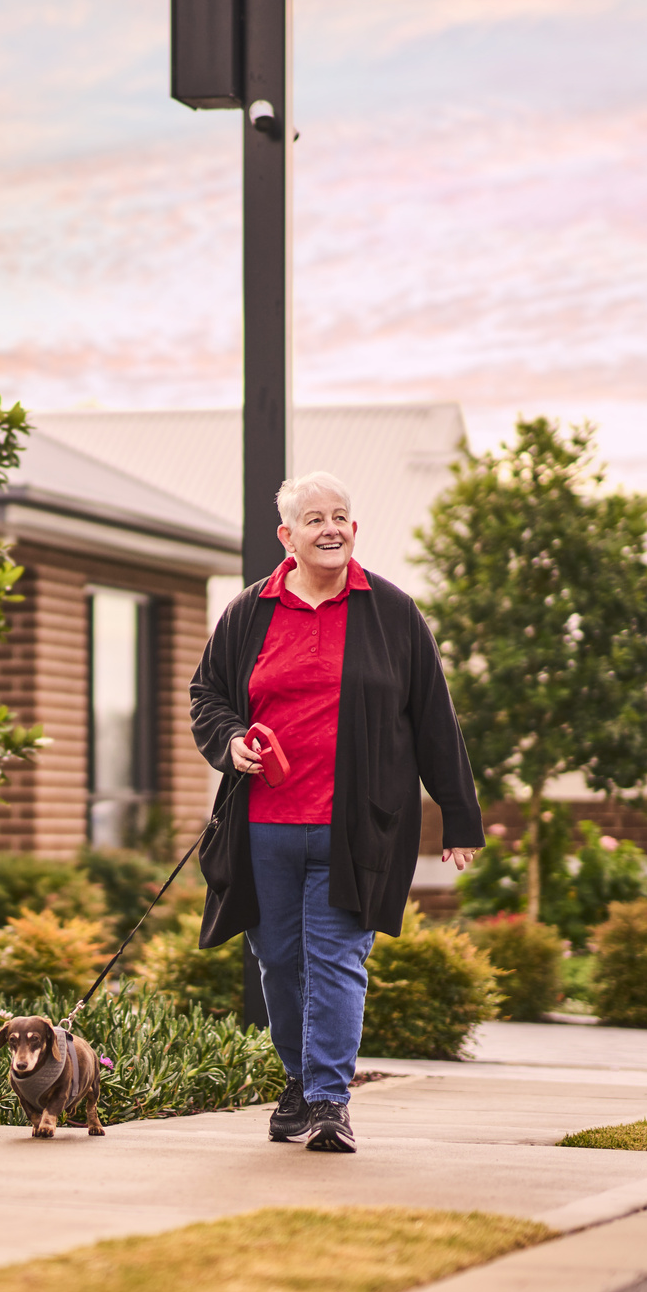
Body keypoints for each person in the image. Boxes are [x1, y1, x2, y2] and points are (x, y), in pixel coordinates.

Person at [189, 472, 484, 1153]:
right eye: (314, 518)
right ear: (286, 536)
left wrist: (460, 816)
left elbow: (435, 719)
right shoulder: (249, 613)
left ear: (355, 530)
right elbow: (207, 696)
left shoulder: (393, 612)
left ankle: (328, 1100)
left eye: (341, 517)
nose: (331, 528)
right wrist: (233, 740)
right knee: (280, 962)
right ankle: (299, 1083)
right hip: (261, 824)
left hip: (359, 825)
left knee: (337, 957)